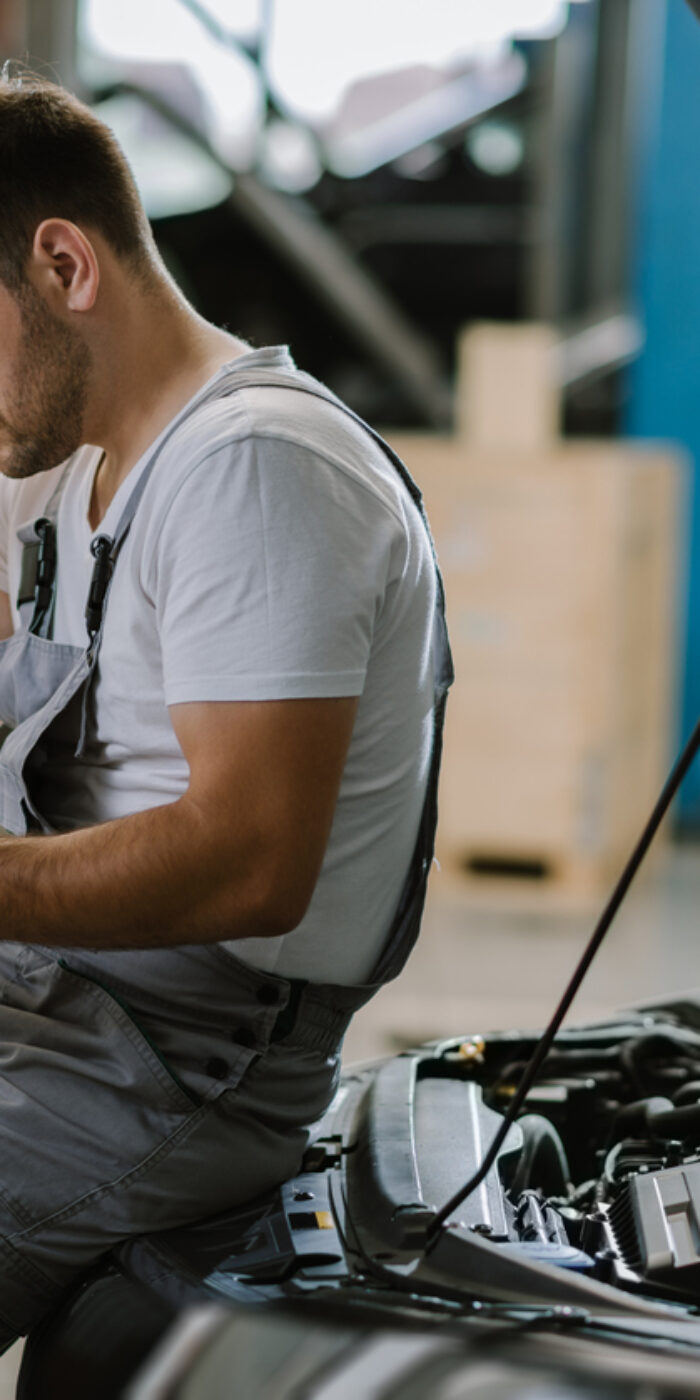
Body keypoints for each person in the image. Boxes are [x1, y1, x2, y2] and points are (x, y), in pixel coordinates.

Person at [0, 71, 451, 1346]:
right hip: (47, 1001)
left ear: (62, 265)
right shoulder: (61, 461)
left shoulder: (257, 468)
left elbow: (249, 862)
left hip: (172, 1067)